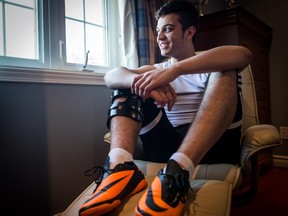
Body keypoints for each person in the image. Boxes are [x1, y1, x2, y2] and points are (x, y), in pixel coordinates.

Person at [79, 0, 252, 215]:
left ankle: (178, 172)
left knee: (226, 71)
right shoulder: (156, 69)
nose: (159, 36)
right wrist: (143, 85)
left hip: (215, 144)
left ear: (189, 32)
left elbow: (242, 54)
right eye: (158, 30)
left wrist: (176, 70)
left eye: (168, 29)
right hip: (166, 144)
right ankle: (120, 170)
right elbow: (111, 75)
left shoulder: (210, 62)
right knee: (128, 84)